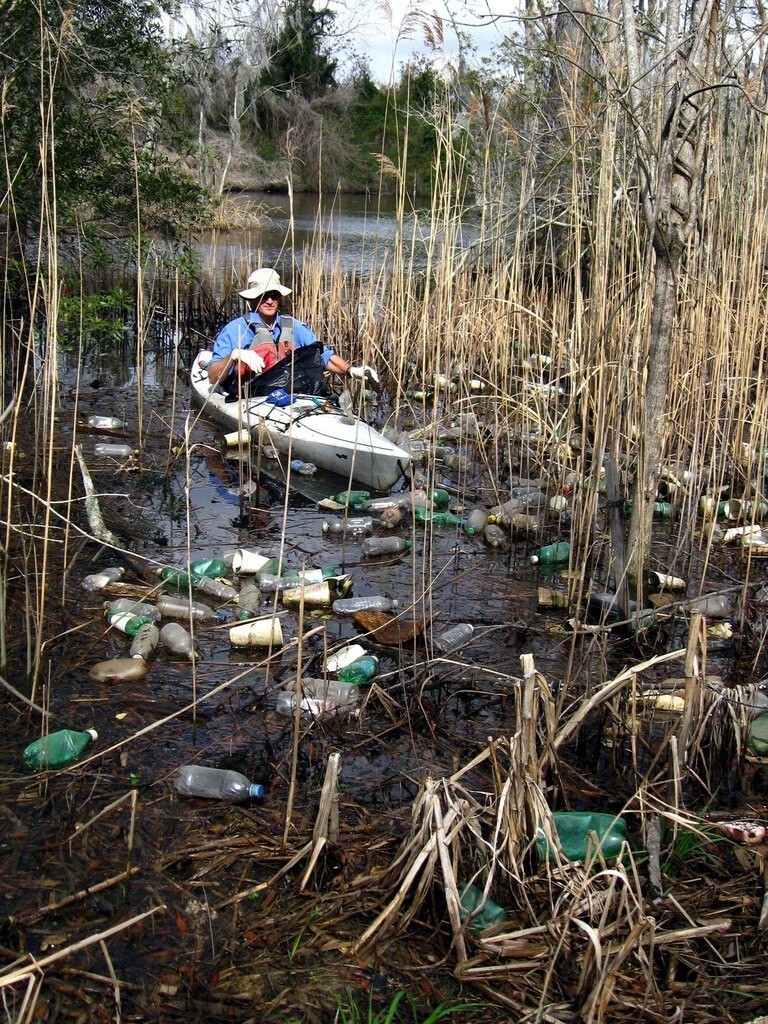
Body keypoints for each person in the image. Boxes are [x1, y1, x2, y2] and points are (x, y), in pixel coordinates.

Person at [207, 267, 378, 394]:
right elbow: (213, 377)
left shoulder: (294, 327)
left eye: (273, 295)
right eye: (263, 296)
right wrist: (234, 355)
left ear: (279, 298)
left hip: (288, 394)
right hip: (248, 396)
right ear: (254, 299)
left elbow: (323, 356)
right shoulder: (234, 329)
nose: (269, 301)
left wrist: (351, 370)